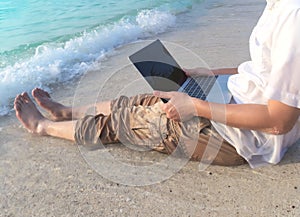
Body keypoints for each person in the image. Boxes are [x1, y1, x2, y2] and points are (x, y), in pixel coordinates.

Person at [14, 0, 300, 168]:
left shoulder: (293, 16)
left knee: (128, 122)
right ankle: (67, 112)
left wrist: (195, 105)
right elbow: (266, 70)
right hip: (233, 98)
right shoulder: (278, 5)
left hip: (241, 137)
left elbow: (279, 120)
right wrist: (208, 72)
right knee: (145, 99)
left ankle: (43, 127)